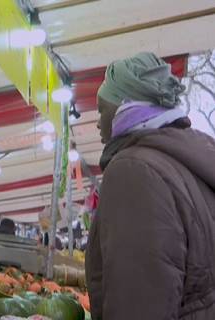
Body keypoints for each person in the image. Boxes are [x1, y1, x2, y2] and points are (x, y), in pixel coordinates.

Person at [86, 52, 215, 319]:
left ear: (126, 105)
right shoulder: (189, 161)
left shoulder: (134, 171)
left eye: (101, 108)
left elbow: (138, 304)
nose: (98, 122)